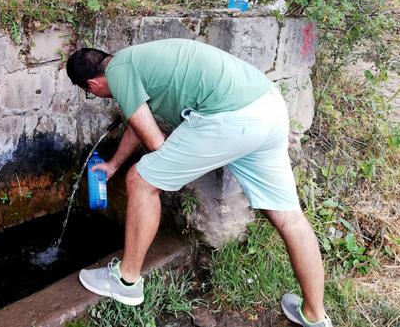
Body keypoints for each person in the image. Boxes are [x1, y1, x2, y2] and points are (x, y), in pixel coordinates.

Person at [66, 38, 332, 327]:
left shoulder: (118, 71)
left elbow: (156, 142)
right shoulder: (137, 60)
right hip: (267, 106)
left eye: (90, 94)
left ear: (91, 85)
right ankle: (315, 316)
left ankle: (126, 281)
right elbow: (137, 123)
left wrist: (152, 170)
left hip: (231, 117)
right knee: (288, 216)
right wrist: (114, 164)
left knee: (141, 180)